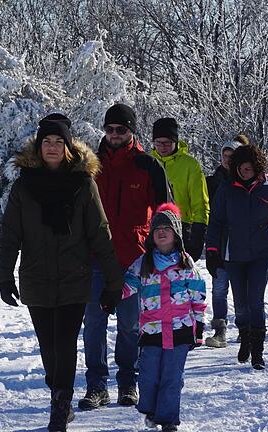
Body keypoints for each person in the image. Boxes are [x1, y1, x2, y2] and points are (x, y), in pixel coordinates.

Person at [0, 114, 123, 431]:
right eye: (47, 142)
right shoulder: (24, 187)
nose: (52, 147)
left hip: (73, 278)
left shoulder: (83, 184)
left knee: (64, 344)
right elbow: (11, 234)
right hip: (36, 279)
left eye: (58, 142)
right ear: (39, 147)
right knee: (48, 349)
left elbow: (100, 233)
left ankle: (60, 405)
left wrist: (113, 280)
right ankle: (58, 391)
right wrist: (4, 276)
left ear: (67, 147)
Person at [80, 103, 172, 410]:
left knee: (131, 326)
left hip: (135, 258)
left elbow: (166, 214)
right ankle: (96, 385)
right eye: (110, 129)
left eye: (121, 129)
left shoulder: (148, 165)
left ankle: (128, 382)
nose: (115, 134)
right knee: (93, 324)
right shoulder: (89, 164)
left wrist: (168, 252)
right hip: (96, 257)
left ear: (131, 131)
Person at [206, 143, 268, 370]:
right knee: (241, 303)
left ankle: (258, 350)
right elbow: (215, 222)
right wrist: (212, 252)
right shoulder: (226, 190)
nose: (246, 173)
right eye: (242, 169)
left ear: (257, 169)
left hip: (261, 253)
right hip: (234, 254)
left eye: (250, 169)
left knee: (255, 301)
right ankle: (244, 336)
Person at [122, 203, 206, 432]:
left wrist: (199, 325)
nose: (161, 232)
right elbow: (128, 284)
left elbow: (198, 295)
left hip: (180, 330)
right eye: (157, 229)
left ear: (176, 234)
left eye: (166, 228)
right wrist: (111, 294)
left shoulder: (186, 263)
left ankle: (168, 419)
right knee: (148, 375)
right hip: (152, 330)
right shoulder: (143, 263)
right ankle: (150, 409)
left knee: (172, 377)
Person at [203, 136, 245, 348]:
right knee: (219, 288)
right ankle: (220, 330)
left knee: (241, 288)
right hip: (218, 243)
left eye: (232, 156)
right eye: (224, 156)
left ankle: (244, 326)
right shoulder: (212, 181)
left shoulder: (246, 183)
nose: (227, 160)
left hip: (241, 244)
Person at [150, 118, 210, 262]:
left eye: (167, 143)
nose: (163, 147)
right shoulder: (149, 162)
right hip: (153, 228)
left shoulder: (190, 165)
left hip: (183, 228)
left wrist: (198, 230)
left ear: (175, 142)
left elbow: (200, 201)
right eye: (158, 143)